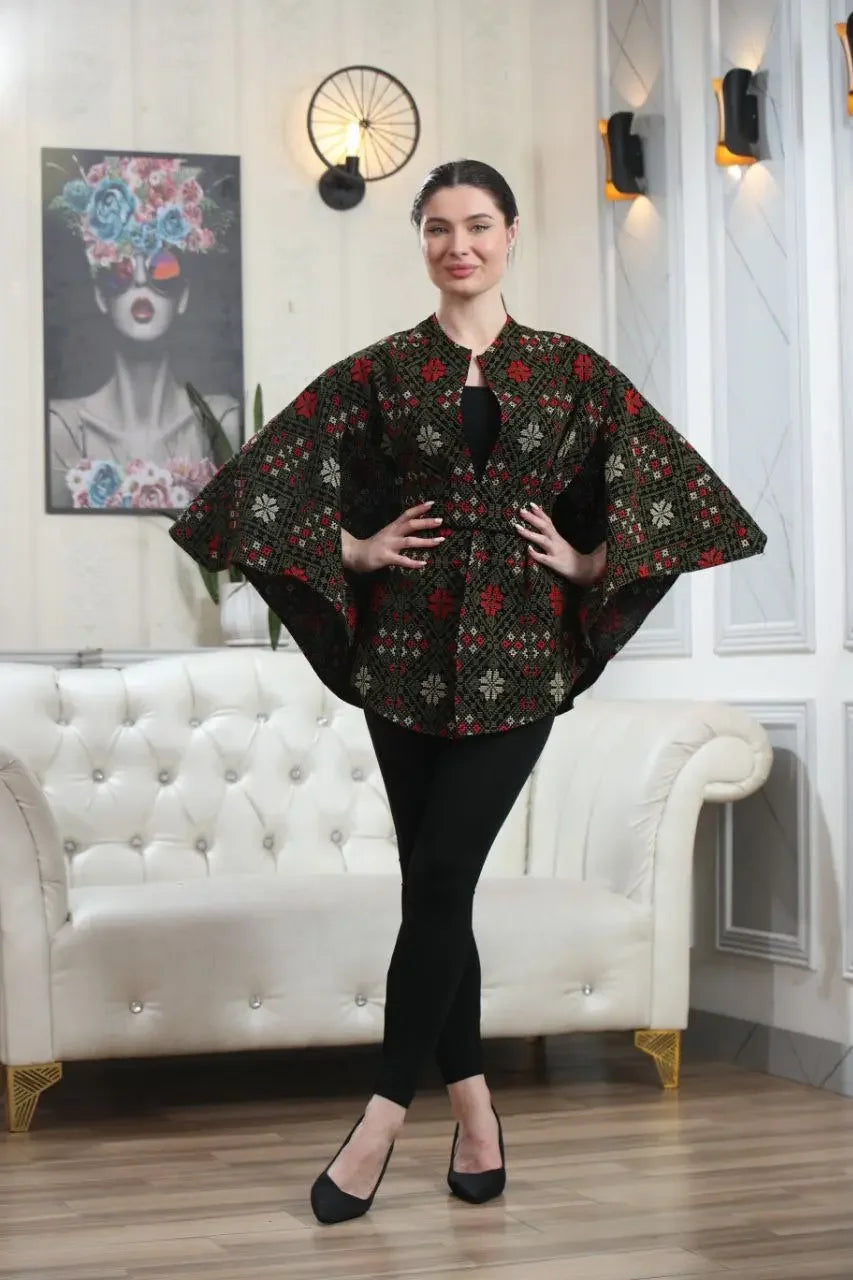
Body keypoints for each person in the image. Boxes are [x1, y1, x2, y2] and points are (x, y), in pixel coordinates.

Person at [169, 159, 766, 1225]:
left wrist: (589, 563)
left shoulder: (569, 371)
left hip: (521, 656)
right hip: (403, 656)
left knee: (443, 872)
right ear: (421, 240)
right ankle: (477, 1110)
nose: (460, 245)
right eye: (439, 228)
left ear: (511, 234)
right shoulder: (384, 370)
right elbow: (259, 486)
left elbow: (676, 493)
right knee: (433, 891)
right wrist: (353, 548)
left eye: (478, 225)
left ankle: (381, 1116)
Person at [46, 155, 240, 511]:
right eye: (120, 272)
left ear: (183, 297)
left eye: (161, 270)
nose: (139, 282)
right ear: (101, 297)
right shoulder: (63, 429)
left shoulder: (222, 422)